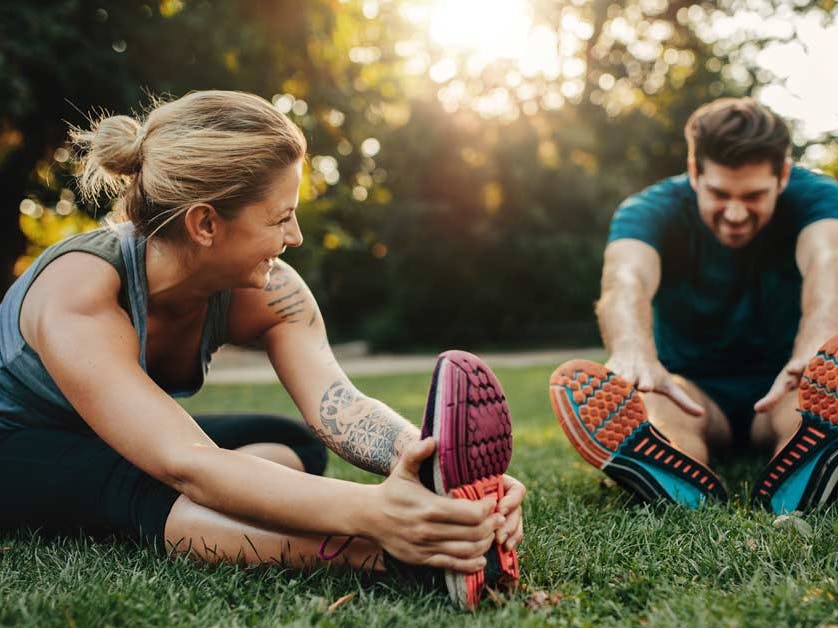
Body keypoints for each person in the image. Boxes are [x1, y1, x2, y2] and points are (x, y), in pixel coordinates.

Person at [0, 90, 523, 609]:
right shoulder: (79, 292)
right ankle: (390, 558)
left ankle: (217, 510)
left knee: (292, 444)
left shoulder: (270, 290)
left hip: (112, 439)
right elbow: (185, 460)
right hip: (17, 445)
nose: (294, 235)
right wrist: (378, 514)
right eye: (279, 218)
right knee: (149, 482)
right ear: (205, 223)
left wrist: (438, 473)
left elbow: (337, 405)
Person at [549, 97, 838, 513]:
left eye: (752, 196)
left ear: (783, 176)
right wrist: (633, 352)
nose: (734, 212)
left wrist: (815, 350)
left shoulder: (817, 196)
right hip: (692, 392)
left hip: (784, 383)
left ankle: (808, 466)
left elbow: (830, 262)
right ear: (694, 172)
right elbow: (626, 278)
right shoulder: (648, 210)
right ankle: (677, 471)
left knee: (806, 409)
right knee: (659, 408)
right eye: (719, 193)